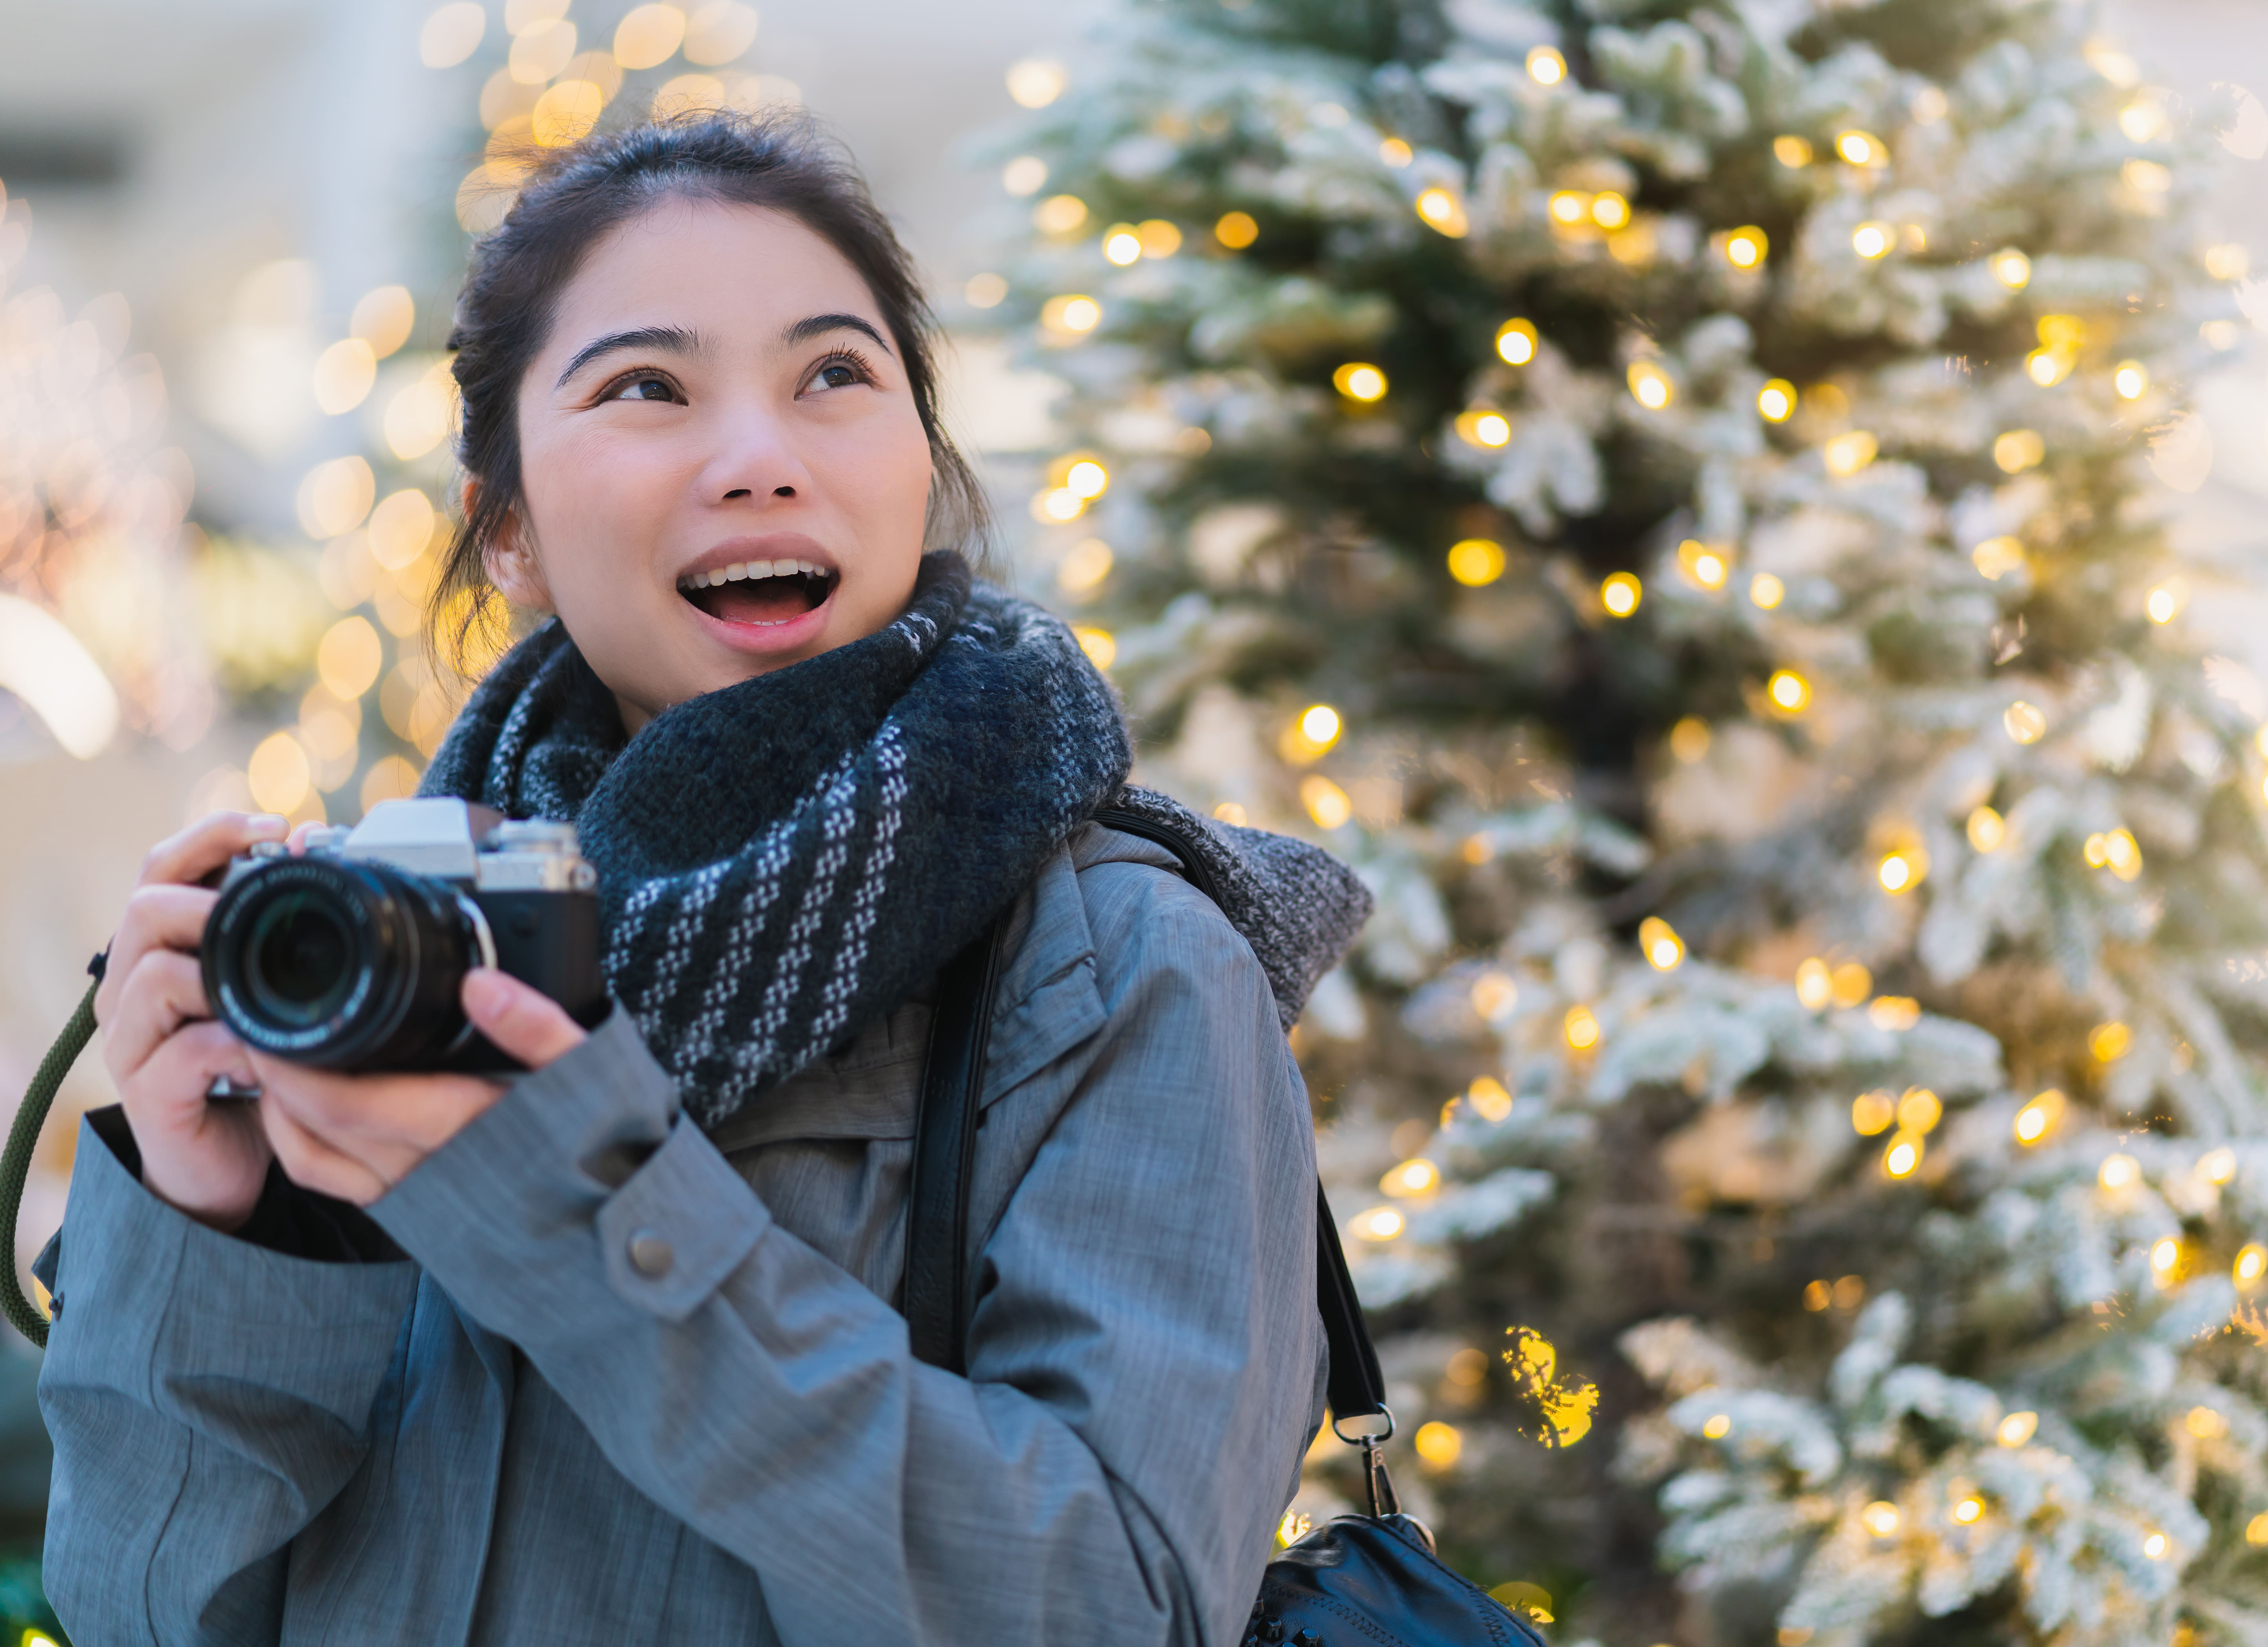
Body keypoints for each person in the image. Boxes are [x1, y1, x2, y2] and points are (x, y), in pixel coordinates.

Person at [36, 113, 1370, 1645]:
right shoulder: (375, 956)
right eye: (647, 389)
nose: (759, 459)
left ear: (921, 472)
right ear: (511, 530)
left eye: (834, 377)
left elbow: (1112, 1611)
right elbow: (145, 1616)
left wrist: (571, 1201)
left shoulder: (1115, 958)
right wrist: (229, 1238)